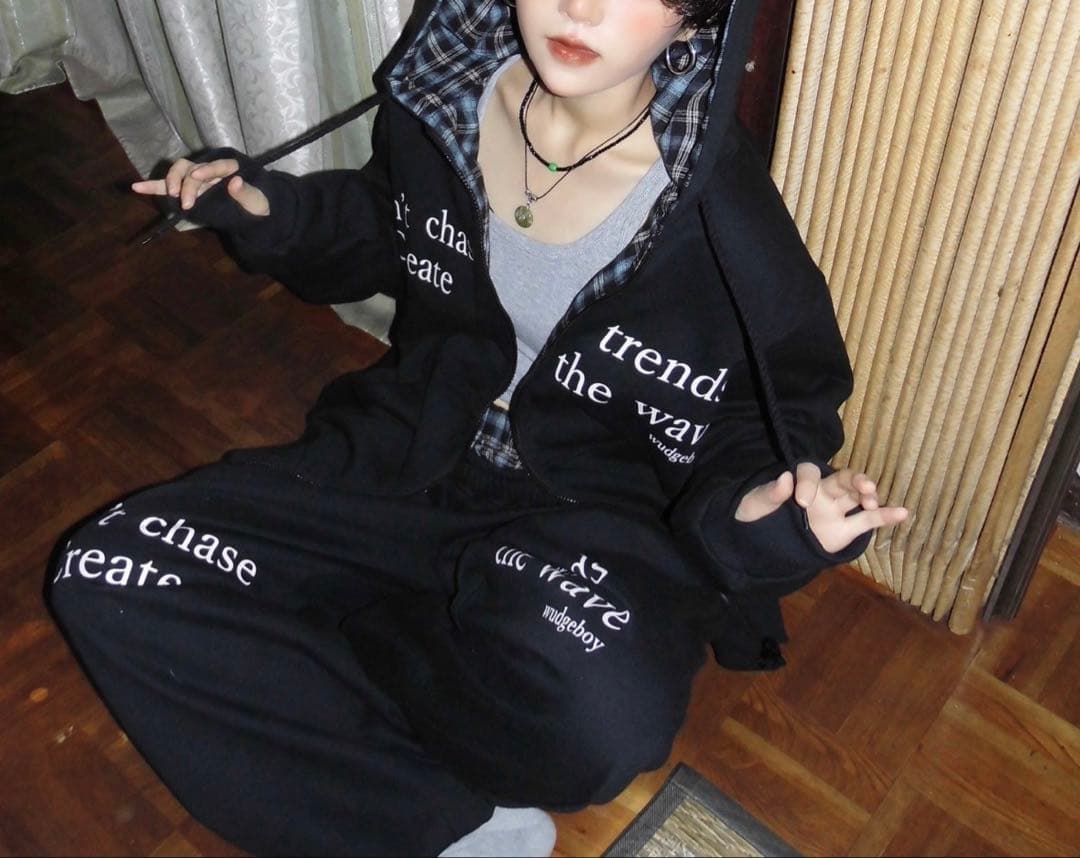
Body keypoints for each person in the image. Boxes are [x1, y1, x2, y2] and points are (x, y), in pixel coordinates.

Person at [46, 0, 908, 855]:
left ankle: (343, 651)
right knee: (106, 570)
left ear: (695, 19)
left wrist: (765, 517)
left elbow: (774, 408)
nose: (577, 8)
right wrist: (272, 212)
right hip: (411, 447)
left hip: (583, 514)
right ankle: (440, 818)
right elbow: (388, 226)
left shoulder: (718, 212)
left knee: (602, 722)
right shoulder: (449, 95)